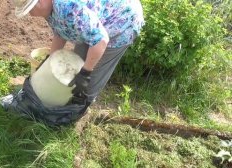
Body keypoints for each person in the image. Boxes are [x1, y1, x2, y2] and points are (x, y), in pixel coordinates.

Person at [13, 0, 144, 109]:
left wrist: (86, 73)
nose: (31, 14)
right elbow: (60, 32)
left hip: (122, 22)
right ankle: (64, 105)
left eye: (30, 9)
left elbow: (101, 40)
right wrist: (49, 59)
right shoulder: (50, 9)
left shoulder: (70, 8)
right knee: (74, 72)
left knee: (87, 85)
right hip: (95, 24)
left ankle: (77, 114)